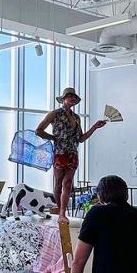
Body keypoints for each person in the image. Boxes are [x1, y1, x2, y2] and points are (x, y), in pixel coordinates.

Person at [35, 87, 106, 221]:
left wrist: (94, 127)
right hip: (60, 153)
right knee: (58, 183)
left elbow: (80, 138)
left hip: (73, 154)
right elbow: (38, 130)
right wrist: (53, 138)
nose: (72, 99)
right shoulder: (55, 114)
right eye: (69, 96)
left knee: (67, 184)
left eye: (74, 97)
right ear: (63, 99)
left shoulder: (77, 118)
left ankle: (63, 213)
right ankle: (59, 211)